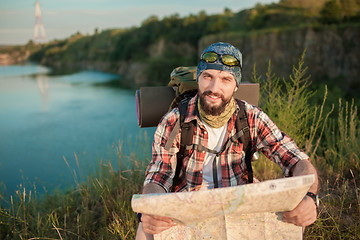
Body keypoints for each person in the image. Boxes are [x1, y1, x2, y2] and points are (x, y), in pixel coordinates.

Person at [135, 42, 319, 240]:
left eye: (225, 79)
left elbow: (296, 160)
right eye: (208, 76)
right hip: (189, 206)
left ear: (236, 85)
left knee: (296, 214)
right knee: (146, 231)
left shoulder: (251, 117)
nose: (215, 88)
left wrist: (310, 197)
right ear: (198, 78)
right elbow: (159, 176)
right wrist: (151, 208)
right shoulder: (174, 120)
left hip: (241, 203)